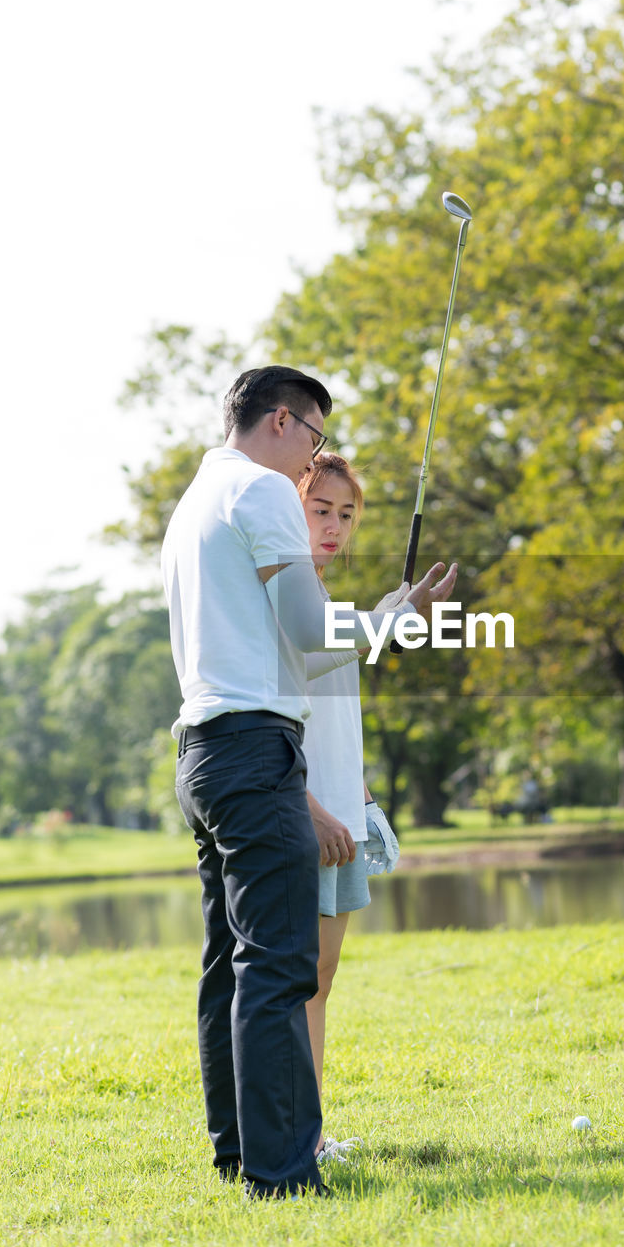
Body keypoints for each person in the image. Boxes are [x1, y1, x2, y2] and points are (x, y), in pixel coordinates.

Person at [161, 365, 456, 1200]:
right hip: (255, 749)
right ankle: (284, 1176)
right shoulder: (259, 491)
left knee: (231, 965)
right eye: (316, 439)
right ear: (284, 421)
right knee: (279, 968)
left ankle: (238, 1155)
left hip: (204, 752)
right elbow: (307, 632)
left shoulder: (194, 503)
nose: (313, 462)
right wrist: (391, 620)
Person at [297, 453, 387, 1162]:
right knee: (300, 980)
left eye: (346, 514)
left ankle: (312, 1132)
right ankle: (297, 1136)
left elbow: (329, 711)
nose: (335, 526)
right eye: (321, 510)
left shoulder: (324, 601)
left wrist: (355, 788)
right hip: (306, 815)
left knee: (322, 980)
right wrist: (311, 802)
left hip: (343, 812)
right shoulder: (282, 595)